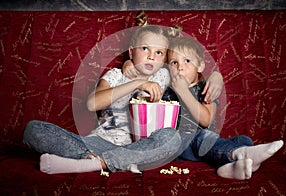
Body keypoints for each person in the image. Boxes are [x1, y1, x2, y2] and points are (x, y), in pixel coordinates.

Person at [22, 25, 222, 174]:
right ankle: (94, 159)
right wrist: (135, 84)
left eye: (159, 53)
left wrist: (216, 77)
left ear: (164, 59)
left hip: (143, 147)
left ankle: (92, 163)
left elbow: (190, 73)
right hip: (101, 141)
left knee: (171, 138)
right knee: (33, 129)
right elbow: (92, 104)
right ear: (131, 51)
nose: (152, 57)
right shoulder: (116, 75)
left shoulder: (164, 75)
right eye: (145, 49)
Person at [161, 36, 284, 180]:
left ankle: (231, 168)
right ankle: (239, 154)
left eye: (187, 61)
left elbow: (206, 119)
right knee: (203, 137)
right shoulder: (168, 91)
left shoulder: (206, 88)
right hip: (181, 145)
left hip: (206, 143)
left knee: (244, 140)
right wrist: (180, 91)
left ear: (200, 66)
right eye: (174, 63)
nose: (180, 67)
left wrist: (185, 90)